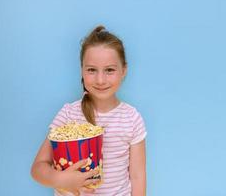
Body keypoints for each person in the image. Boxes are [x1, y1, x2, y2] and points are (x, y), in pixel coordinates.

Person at [31, 25, 147, 196]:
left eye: (109, 70)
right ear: (82, 71)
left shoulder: (131, 119)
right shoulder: (68, 114)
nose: (100, 80)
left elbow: (138, 177)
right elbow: (38, 169)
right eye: (92, 70)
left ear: (124, 71)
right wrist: (61, 180)